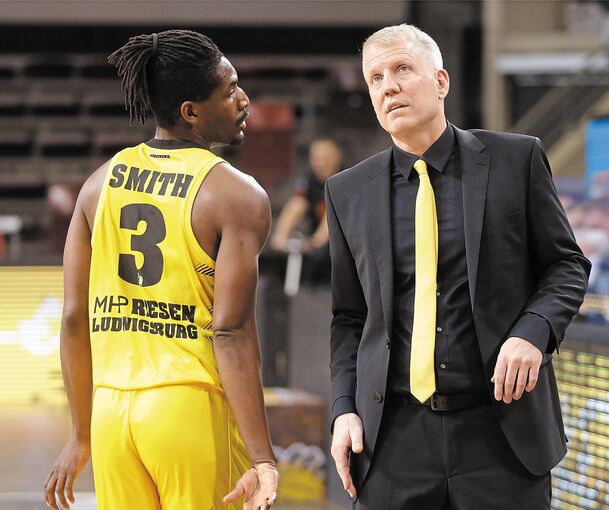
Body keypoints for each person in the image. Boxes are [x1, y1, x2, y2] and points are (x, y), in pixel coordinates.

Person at [325, 24, 590, 509]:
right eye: (376, 78)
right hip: (392, 442)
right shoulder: (347, 192)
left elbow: (566, 265)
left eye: (403, 69)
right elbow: (350, 318)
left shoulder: (517, 158)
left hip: (501, 433)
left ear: (441, 81)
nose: (389, 86)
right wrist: (344, 409)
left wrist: (532, 331)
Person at [44, 30, 278, 510]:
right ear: (191, 111)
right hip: (188, 407)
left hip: (112, 413)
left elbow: (73, 317)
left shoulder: (99, 182)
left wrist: (82, 433)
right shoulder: (235, 194)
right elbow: (230, 331)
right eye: (230, 89)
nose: (243, 99)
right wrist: (263, 459)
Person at [270, 138, 341, 282]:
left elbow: (334, 211)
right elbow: (297, 204)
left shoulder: (345, 178)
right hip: (319, 242)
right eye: (317, 158)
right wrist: (280, 237)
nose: (321, 163)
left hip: (342, 242)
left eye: (326, 158)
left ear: (336, 158)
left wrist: (316, 241)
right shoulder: (310, 181)